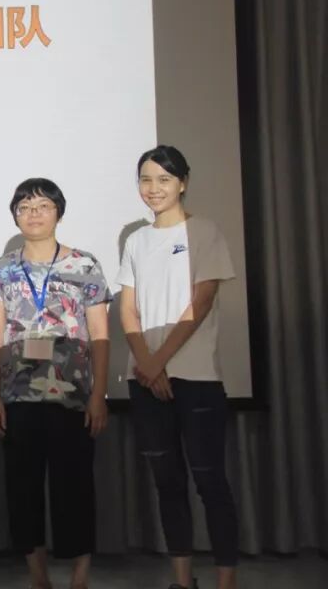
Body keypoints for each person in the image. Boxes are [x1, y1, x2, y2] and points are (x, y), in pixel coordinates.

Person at [0, 178, 111, 589]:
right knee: (23, 490)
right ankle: (38, 577)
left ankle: (79, 577)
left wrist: (99, 395)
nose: (33, 213)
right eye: (24, 207)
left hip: (74, 398)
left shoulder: (85, 265)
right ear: (15, 215)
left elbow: (100, 336)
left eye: (42, 206)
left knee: (75, 488)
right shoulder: (1, 269)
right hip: (17, 397)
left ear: (59, 212)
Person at [119, 145, 238, 589]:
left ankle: (226, 579)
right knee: (167, 483)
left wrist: (159, 360)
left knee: (210, 481)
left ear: (183, 183)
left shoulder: (204, 231)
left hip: (196, 377)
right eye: (146, 180)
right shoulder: (135, 239)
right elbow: (127, 309)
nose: (154, 188)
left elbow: (200, 303)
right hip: (146, 378)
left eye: (164, 179)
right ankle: (183, 580)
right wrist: (147, 364)